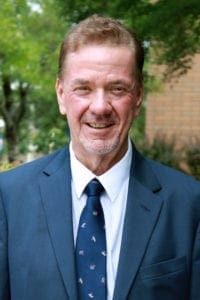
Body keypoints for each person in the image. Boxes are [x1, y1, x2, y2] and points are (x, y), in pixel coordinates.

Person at [0, 14, 199, 300]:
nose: (100, 106)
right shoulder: (8, 198)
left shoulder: (190, 205)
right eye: (84, 88)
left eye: (117, 89)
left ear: (139, 95)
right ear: (61, 95)